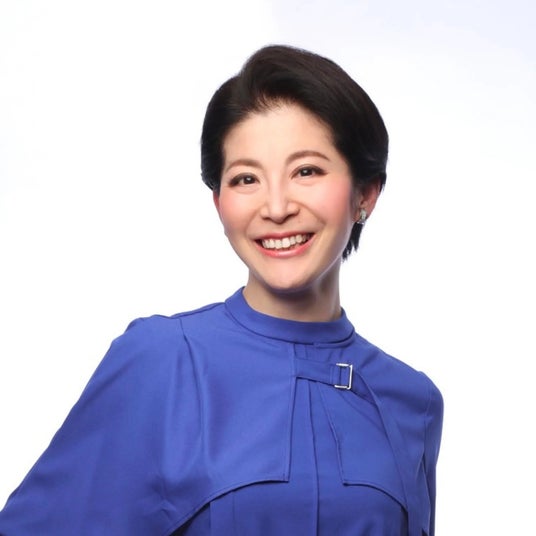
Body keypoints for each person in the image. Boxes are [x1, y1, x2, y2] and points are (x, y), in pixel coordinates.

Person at [0, 45, 443, 535]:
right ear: (219, 202)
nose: (276, 207)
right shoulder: (163, 360)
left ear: (365, 193)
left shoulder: (412, 401)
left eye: (307, 171)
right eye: (246, 178)